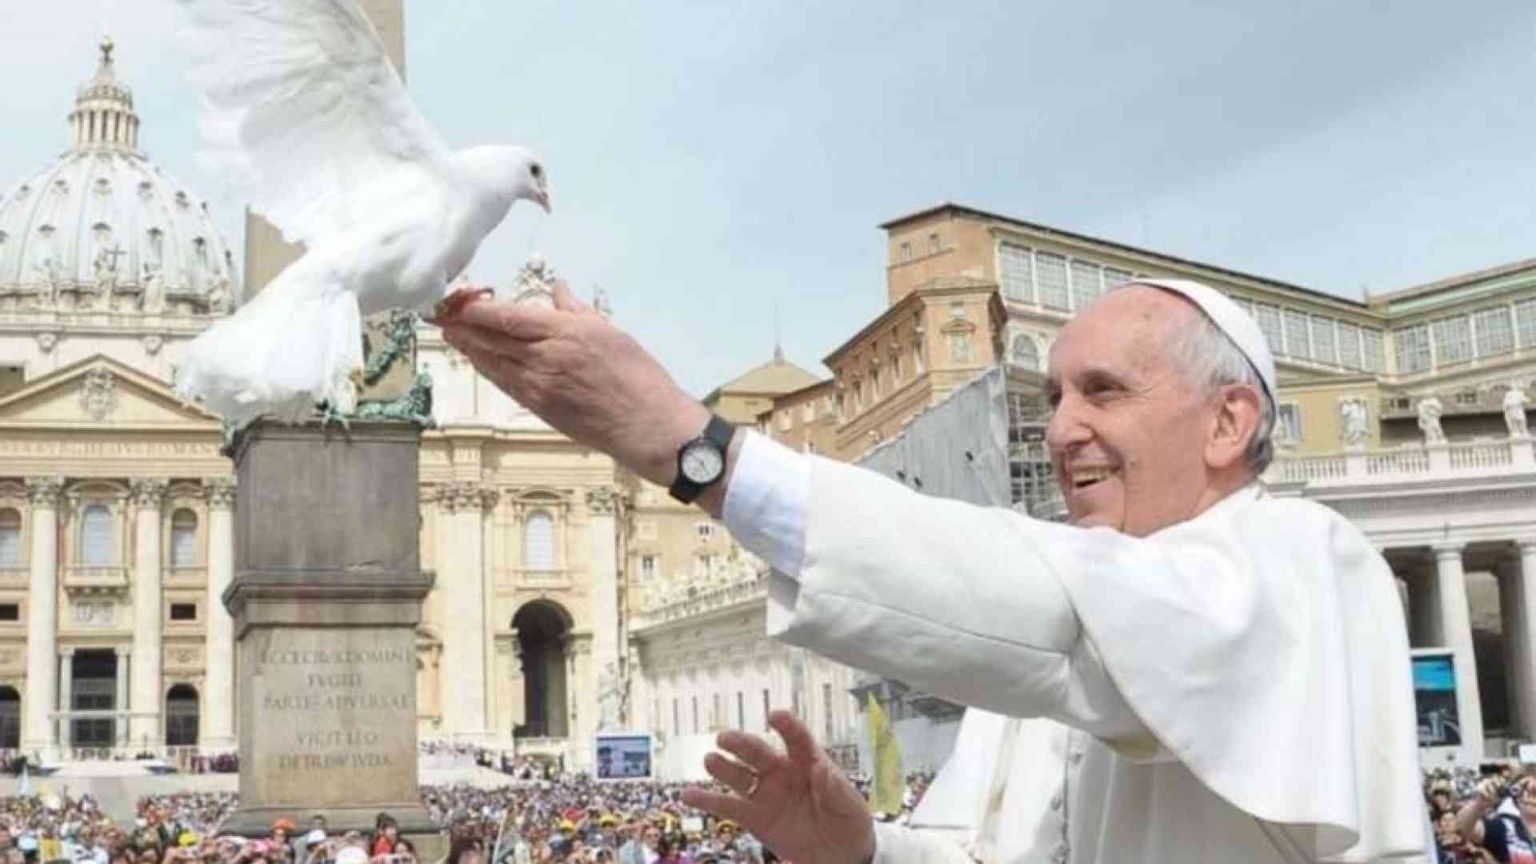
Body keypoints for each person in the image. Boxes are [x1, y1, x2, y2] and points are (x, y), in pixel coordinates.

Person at [437, 278, 1428, 862]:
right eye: (1055, 396)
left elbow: (1068, 615)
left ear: (1227, 422)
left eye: (1103, 392)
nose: (1063, 428)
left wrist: (700, 453)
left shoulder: (1306, 563)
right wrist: (864, 848)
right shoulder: (1052, 652)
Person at [1453, 775, 1536, 863]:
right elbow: (1462, 828)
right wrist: (1479, 802)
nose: (1531, 797)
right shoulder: (1503, 827)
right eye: (1523, 790)